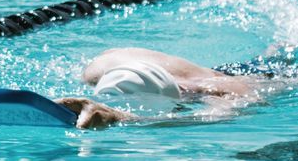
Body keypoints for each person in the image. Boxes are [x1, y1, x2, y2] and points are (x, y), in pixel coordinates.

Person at [55, 46, 268, 129]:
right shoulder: (99, 70)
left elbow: (217, 117)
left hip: (257, 75)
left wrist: (126, 118)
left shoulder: (225, 88)